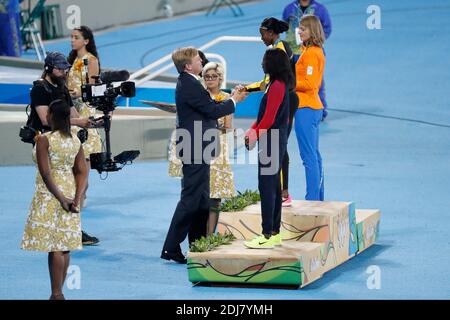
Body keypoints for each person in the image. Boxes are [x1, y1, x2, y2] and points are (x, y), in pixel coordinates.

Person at [161, 47, 247, 264]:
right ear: (189, 66)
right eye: (198, 59)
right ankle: (171, 247)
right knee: (191, 200)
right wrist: (234, 100)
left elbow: (209, 108)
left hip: (200, 147)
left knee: (201, 199)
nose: (202, 61)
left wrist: (232, 100)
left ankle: (197, 243)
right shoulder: (190, 84)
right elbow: (212, 111)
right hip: (195, 148)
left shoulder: (189, 82)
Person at [29, 51, 99, 246]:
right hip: (48, 143)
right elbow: (45, 120)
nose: (64, 73)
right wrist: (79, 121)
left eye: (66, 69)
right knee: (51, 185)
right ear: (49, 69)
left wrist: (89, 122)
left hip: (66, 141)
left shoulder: (62, 87)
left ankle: (72, 226)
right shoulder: (39, 89)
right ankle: (49, 228)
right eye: (60, 69)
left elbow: (73, 112)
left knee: (74, 184)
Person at [21, 99, 88, 300]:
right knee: (64, 244)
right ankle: (59, 293)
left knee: (55, 247)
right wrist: (76, 198)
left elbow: (46, 173)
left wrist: (61, 199)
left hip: (51, 194)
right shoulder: (75, 140)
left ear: (52, 116)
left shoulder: (44, 139)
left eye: (48, 113)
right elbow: (82, 171)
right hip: (69, 189)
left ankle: (56, 294)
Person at [168, 62, 235, 235]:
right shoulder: (199, 95)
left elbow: (228, 127)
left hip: (217, 147)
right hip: (199, 145)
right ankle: (196, 234)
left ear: (220, 79)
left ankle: (209, 235)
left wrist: (212, 124)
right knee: (196, 194)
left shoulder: (226, 99)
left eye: (213, 76)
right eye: (207, 77)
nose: (210, 79)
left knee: (215, 196)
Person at [244, 48, 293, 249]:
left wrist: (255, 134)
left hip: (272, 140)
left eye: (265, 61)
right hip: (272, 138)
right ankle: (274, 232)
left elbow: (270, 117)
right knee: (272, 186)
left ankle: (267, 233)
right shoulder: (274, 84)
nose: (262, 64)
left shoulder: (277, 86)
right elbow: (264, 116)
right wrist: (253, 129)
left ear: (273, 64)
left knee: (267, 187)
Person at [248, 17, 298, 207]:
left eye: (262, 34)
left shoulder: (279, 49)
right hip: (283, 96)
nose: (261, 38)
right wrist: (246, 88)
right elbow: (266, 83)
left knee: (279, 143)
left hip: (286, 98)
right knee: (277, 143)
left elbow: (268, 82)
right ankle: (280, 190)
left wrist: (247, 89)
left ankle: (284, 193)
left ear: (271, 33)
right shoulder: (276, 47)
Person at [67, 26, 102, 245]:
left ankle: (78, 204)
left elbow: (94, 88)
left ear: (86, 41)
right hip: (72, 114)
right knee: (75, 166)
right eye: (71, 37)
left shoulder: (91, 60)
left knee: (83, 168)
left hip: (86, 114)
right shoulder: (71, 61)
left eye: (76, 37)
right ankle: (75, 210)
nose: (72, 40)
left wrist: (79, 92)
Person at [282, 0, 331, 119]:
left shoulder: (320, 9)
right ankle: (294, 109)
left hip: (309, 49)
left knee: (315, 82)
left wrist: (314, 41)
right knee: (295, 79)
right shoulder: (289, 8)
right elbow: (284, 26)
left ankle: (321, 110)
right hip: (293, 51)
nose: (299, 31)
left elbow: (327, 29)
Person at [294, 15, 326, 201]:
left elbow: (310, 82)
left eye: (303, 29)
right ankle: (317, 197)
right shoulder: (310, 51)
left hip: (306, 107)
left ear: (312, 31)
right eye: (299, 28)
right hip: (310, 107)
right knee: (313, 155)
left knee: (308, 157)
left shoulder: (313, 53)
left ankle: (312, 199)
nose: (299, 31)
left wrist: (290, 82)